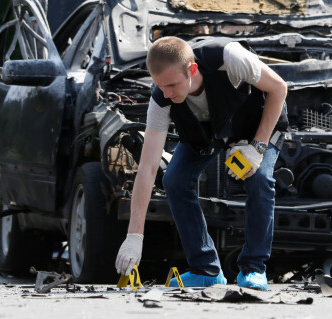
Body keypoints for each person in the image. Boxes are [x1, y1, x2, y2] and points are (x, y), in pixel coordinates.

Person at [115, 36, 288, 291]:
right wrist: (134, 235)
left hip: (256, 124)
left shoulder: (229, 58)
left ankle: (253, 268)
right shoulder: (161, 98)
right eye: (160, 86)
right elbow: (148, 167)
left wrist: (258, 147)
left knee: (260, 178)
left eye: (172, 85)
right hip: (208, 131)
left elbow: (279, 88)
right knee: (174, 180)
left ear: (191, 69)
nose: (167, 93)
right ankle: (205, 269)